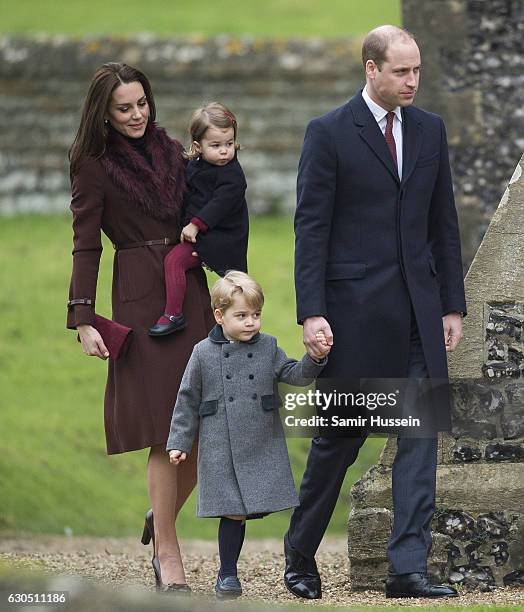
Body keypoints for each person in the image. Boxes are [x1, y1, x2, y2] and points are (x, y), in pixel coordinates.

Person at [285, 25, 466, 600]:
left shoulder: (432, 130)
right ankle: (299, 555)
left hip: (419, 314)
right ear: (371, 68)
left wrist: (452, 305)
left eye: (417, 71)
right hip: (352, 318)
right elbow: (310, 229)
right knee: (338, 441)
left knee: (418, 439)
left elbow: (444, 223)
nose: (413, 81)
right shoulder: (330, 133)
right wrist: (311, 312)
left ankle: (407, 569)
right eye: (401, 71)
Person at [67, 62, 216, 592]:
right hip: (138, 298)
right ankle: (168, 555)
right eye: (124, 108)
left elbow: (212, 206)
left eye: (142, 103)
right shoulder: (93, 165)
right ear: (104, 113)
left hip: (191, 291)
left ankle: (162, 515)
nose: (136, 115)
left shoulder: (174, 152)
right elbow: (86, 244)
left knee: (203, 423)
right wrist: (82, 318)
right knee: (165, 428)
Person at [165, 271, 330, 598]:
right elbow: (187, 399)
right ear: (219, 316)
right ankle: (227, 575)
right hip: (220, 442)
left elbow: (294, 375)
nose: (251, 322)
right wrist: (179, 443)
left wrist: (315, 359)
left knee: (243, 508)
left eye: (256, 315)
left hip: (260, 438)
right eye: (241, 316)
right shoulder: (202, 353)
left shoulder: (268, 346)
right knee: (232, 510)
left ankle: (243, 569)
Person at [148, 102, 249, 336]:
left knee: (178, 263)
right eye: (216, 145)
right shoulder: (194, 166)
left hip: (221, 238)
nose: (225, 151)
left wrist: (195, 224)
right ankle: (223, 326)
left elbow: (219, 205)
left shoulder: (232, 175)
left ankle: (174, 314)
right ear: (198, 146)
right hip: (203, 234)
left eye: (229, 143)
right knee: (231, 286)